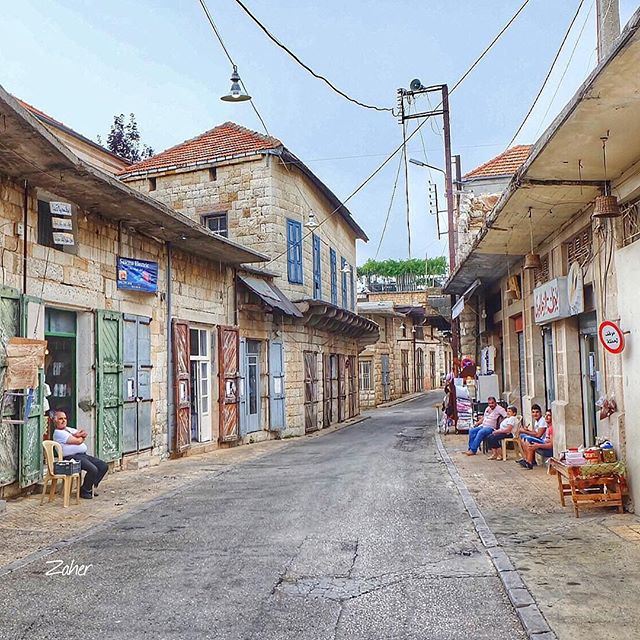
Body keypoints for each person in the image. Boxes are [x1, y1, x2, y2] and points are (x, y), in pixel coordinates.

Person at [51, 411, 108, 499]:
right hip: (71, 457)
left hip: (82, 455)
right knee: (93, 469)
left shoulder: (68, 429)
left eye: (65, 418)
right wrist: (78, 437)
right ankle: (85, 490)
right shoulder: (58, 433)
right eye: (60, 419)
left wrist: (78, 435)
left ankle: (89, 487)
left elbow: (84, 433)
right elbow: (78, 441)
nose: (63, 421)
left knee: (103, 466)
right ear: (55, 421)